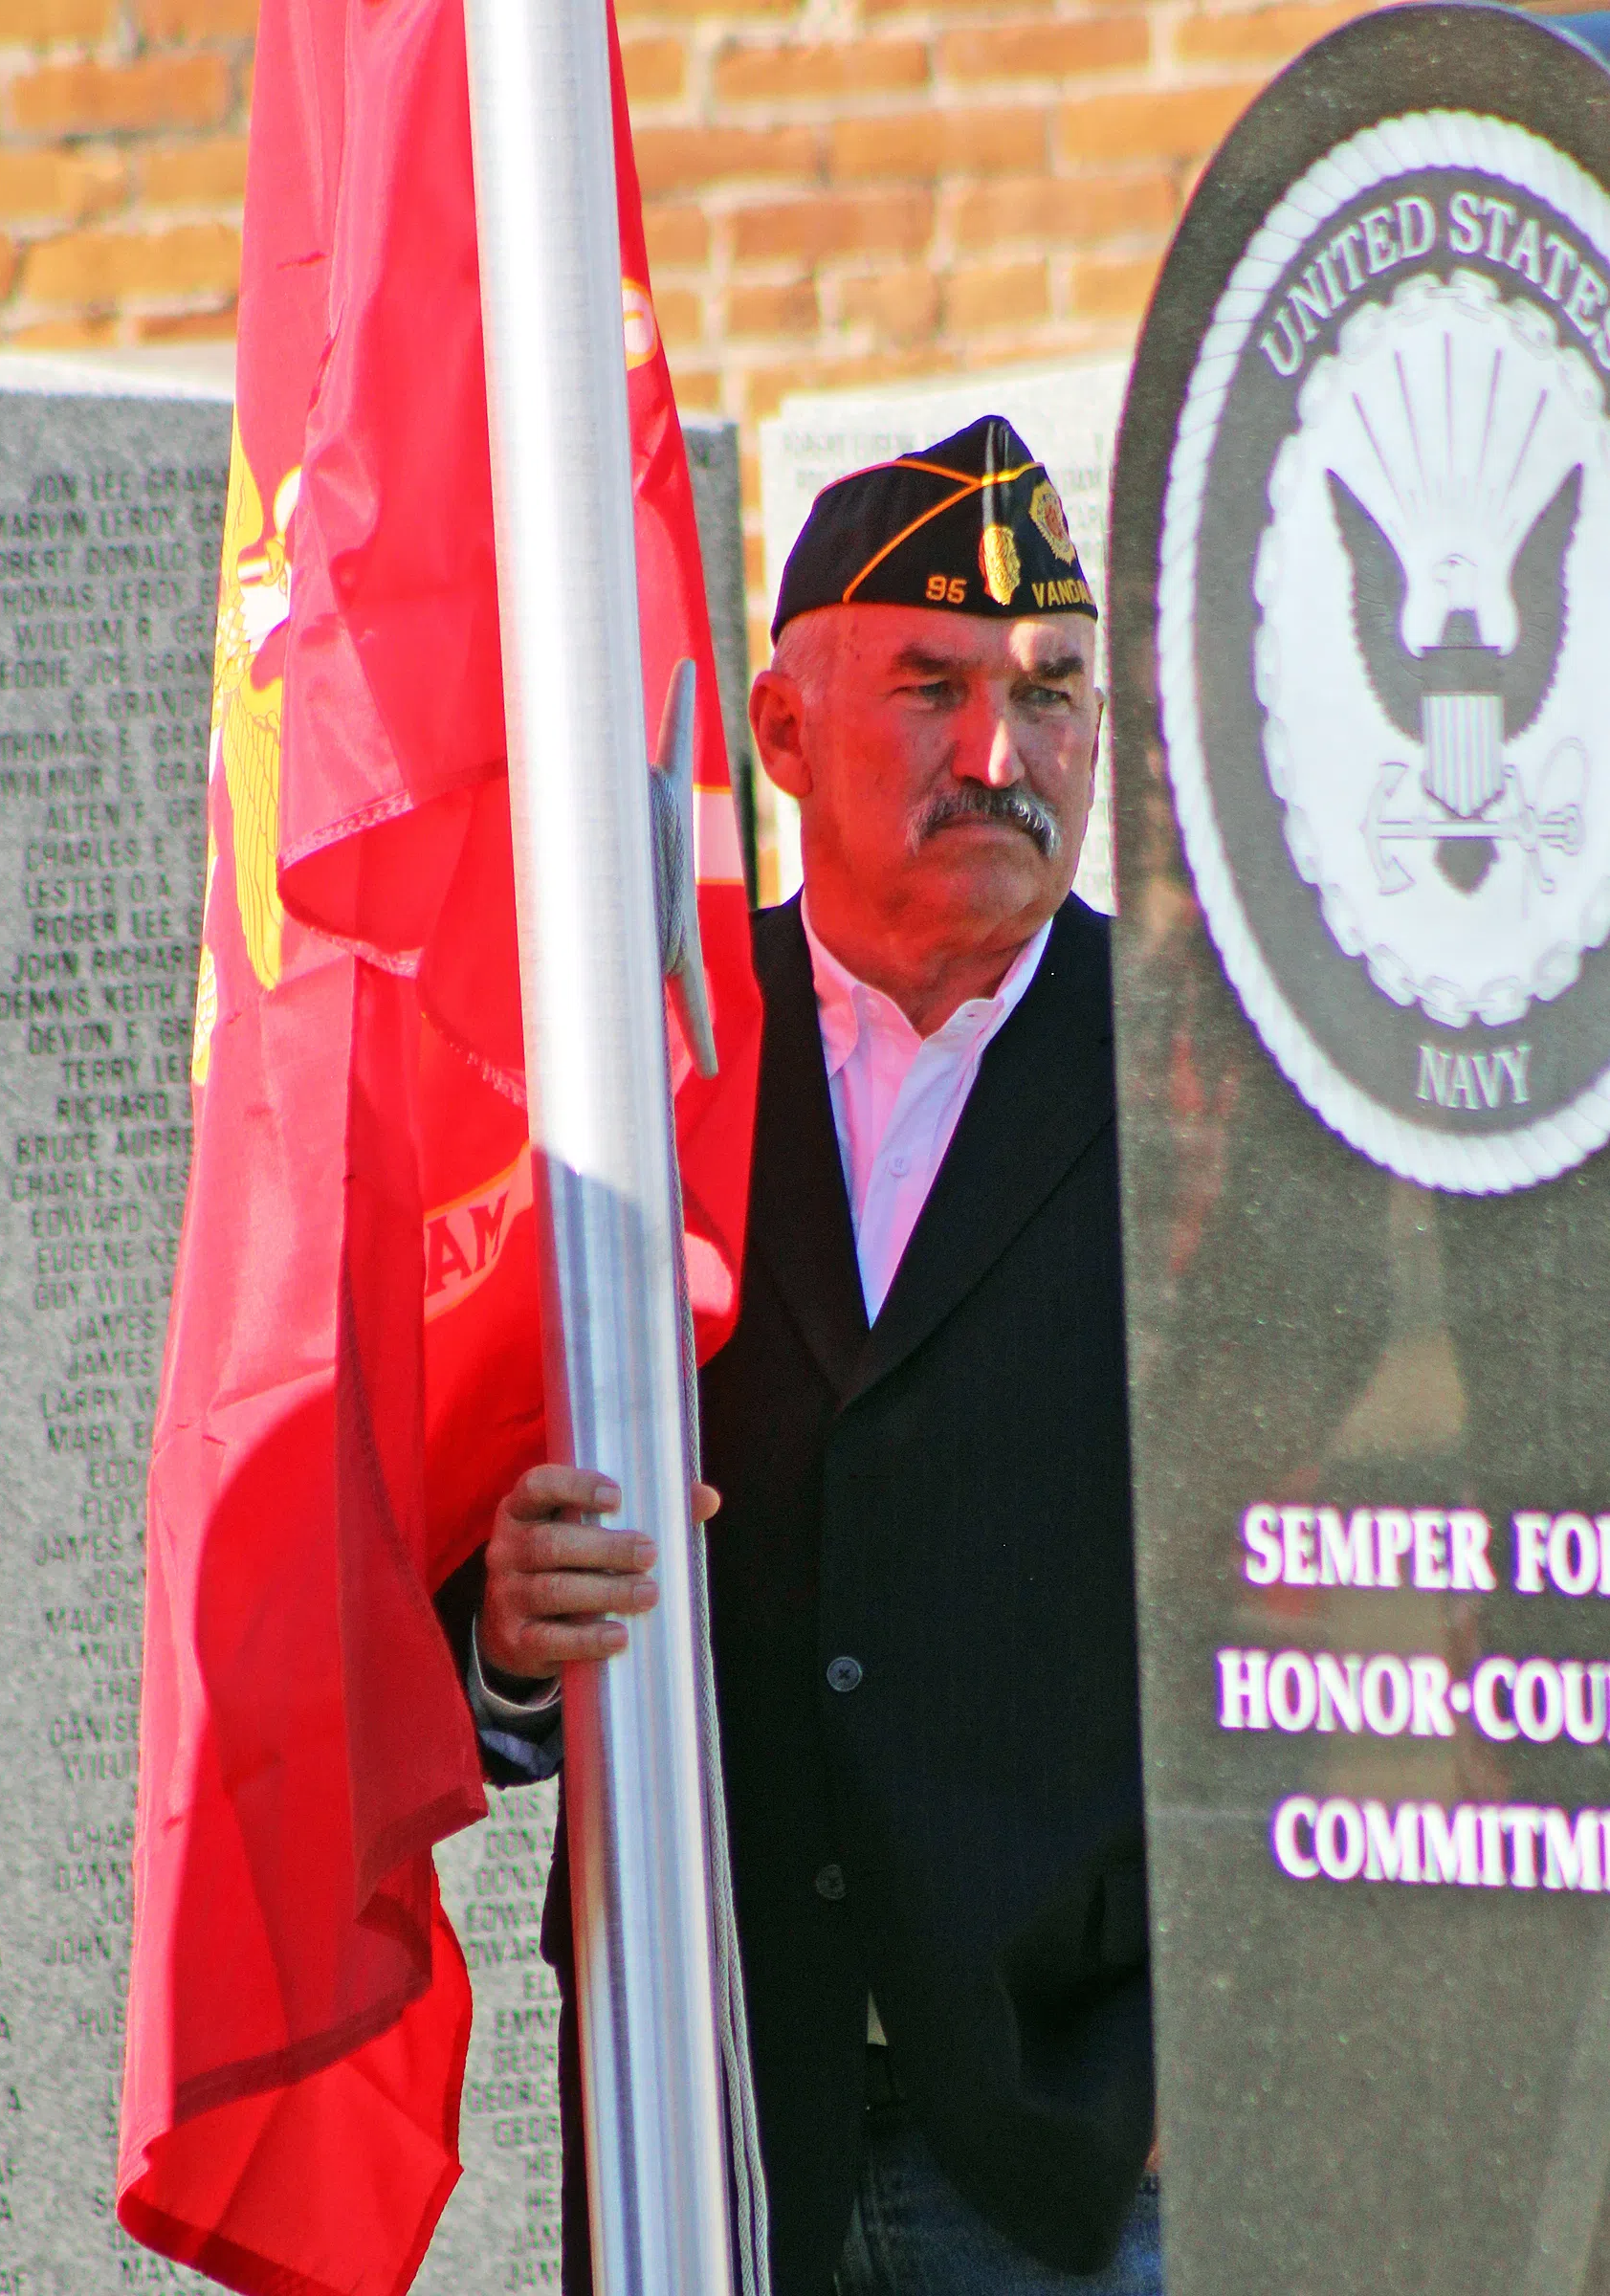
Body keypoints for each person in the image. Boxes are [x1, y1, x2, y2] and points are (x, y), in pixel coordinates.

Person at [436, 415, 1158, 2296]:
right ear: (776, 734)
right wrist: (513, 1636)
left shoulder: (1204, 1085)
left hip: (1080, 2155)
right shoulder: (626, 1069)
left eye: (1051, 692)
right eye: (929, 688)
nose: (1005, 757)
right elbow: (446, 1541)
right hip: (702, 2105)